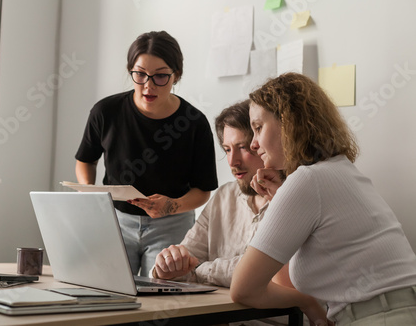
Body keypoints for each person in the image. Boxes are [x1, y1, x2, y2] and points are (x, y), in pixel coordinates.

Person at [230, 72, 416, 326]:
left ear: (287, 122)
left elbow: (243, 289)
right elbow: (287, 281)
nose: (253, 144)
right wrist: (280, 200)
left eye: (258, 128)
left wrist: (307, 303)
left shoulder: (308, 181)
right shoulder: (338, 170)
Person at [75, 31, 218, 276]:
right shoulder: (105, 111)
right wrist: (89, 191)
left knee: (163, 295)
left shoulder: (194, 122)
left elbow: (202, 190)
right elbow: (85, 160)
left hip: (173, 225)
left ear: (177, 75)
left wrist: (172, 206)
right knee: (113, 293)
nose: (148, 85)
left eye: (161, 76)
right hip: (116, 220)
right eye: (139, 74)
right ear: (130, 70)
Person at [152, 100, 292, 326]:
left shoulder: (292, 197)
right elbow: (187, 260)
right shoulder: (224, 196)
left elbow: (256, 274)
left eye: (243, 147)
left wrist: (200, 269)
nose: (232, 161)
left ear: (263, 143)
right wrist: (167, 268)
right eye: (227, 149)